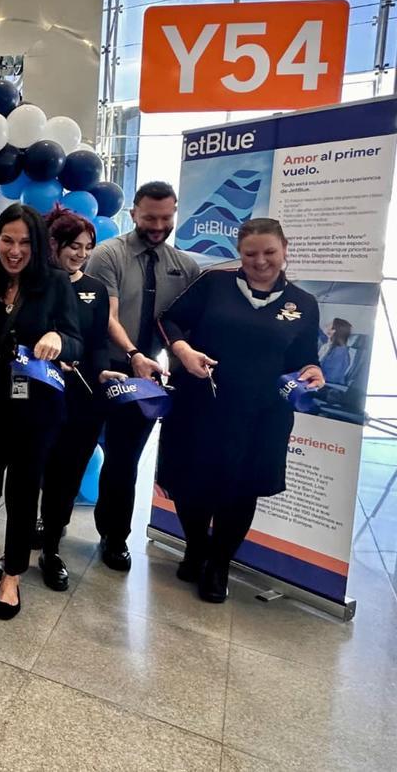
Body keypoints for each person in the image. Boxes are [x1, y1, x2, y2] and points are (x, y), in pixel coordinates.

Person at [157, 218, 323, 602]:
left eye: (269, 252)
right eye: (250, 253)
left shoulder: (304, 303)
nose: (260, 261)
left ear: (285, 249)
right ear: (239, 252)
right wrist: (182, 350)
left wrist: (312, 371)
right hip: (201, 405)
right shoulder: (215, 284)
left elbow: (303, 359)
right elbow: (169, 320)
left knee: (240, 490)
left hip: (261, 414)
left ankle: (218, 564)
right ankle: (196, 547)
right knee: (189, 483)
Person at [0, 204, 82, 619]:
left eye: (24, 242)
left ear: (37, 245)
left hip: (37, 410)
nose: (15, 250)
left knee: (24, 493)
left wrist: (58, 340)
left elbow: (78, 341)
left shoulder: (56, 284)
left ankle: (12, 575)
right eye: (7, 240)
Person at [85, 181, 200, 572]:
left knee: (124, 460)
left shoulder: (185, 267)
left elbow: (186, 327)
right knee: (74, 450)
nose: (157, 225)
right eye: (150, 217)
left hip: (146, 378)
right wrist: (133, 354)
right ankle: (49, 524)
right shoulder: (107, 255)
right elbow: (107, 317)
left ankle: (113, 536)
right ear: (133, 213)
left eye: (166, 217)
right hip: (102, 368)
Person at [37, 208, 125, 591]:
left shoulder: (96, 289)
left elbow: (99, 343)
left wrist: (102, 370)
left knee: (68, 476)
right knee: (33, 472)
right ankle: (23, 537)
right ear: (54, 244)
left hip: (85, 397)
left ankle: (52, 547)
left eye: (88, 248)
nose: (81, 254)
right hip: (40, 394)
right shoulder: (37, 285)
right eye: (74, 246)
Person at [319, 318, 352, 385]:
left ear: (333, 331)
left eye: (329, 325)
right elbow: (321, 334)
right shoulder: (329, 345)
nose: (325, 325)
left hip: (328, 388)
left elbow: (332, 378)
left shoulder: (340, 352)